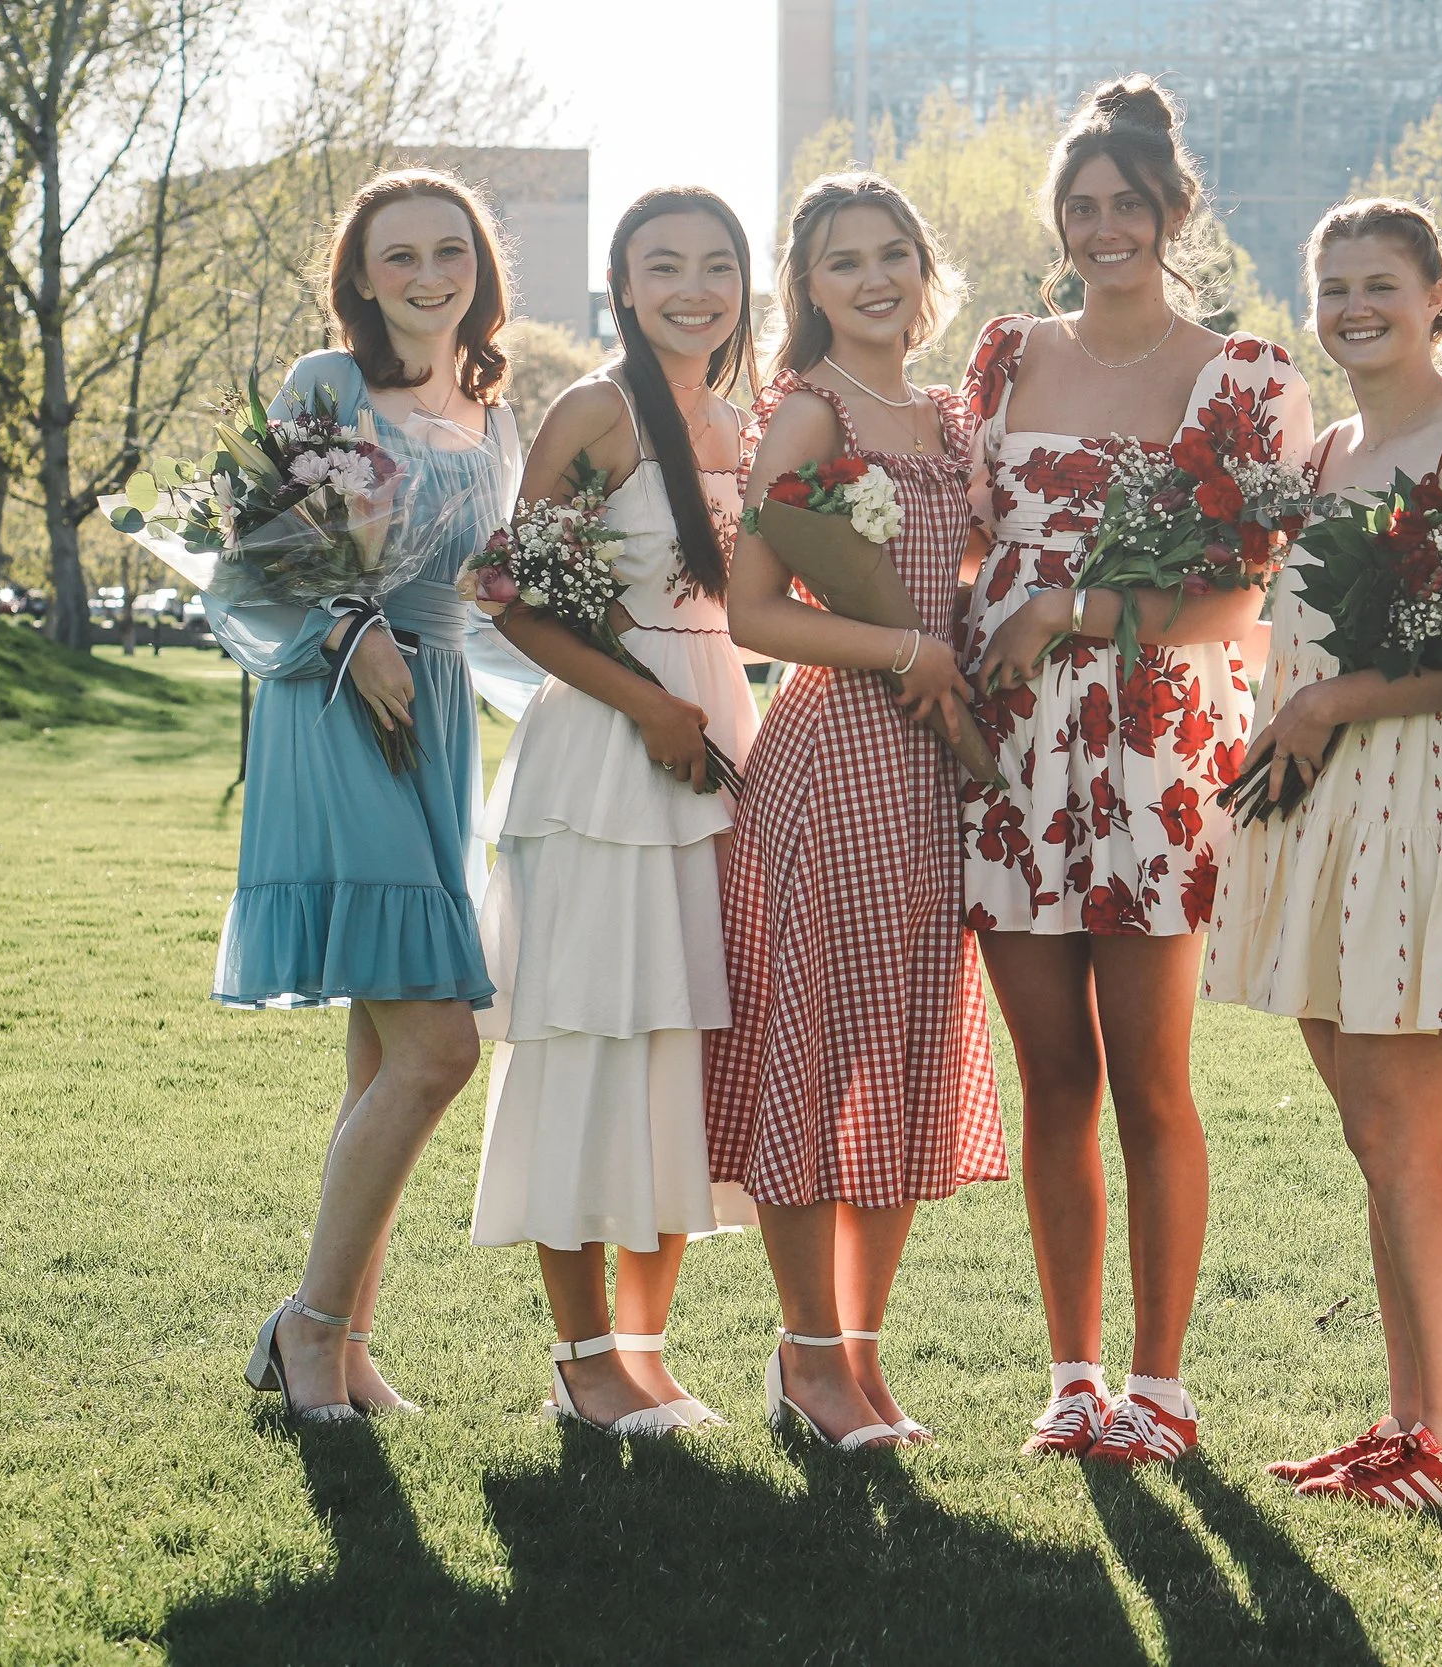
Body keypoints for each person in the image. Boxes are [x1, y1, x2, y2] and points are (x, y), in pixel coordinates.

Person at [959, 75, 1312, 1465]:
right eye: (1083, 207)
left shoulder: (1247, 375)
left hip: (1160, 748)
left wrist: (1069, 613)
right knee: (1053, 1077)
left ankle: (1160, 1387)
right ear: (1061, 221)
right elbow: (967, 540)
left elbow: (1243, 600)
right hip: (1017, 754)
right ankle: (1073, 1372)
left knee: (1152, 1080)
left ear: (1175, 213)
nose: (1106, 228)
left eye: (1130, 205)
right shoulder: (1000, 360)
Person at [1201, 199, 1442, 1511]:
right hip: (1316, 808)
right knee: (1366, 1132)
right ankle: (1410, 1422)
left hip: (1420, 800)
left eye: (1381, 283)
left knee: (1405, 1131)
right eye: (1333, 284)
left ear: (1435, 294)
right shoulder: (1328, 446)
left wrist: (1336, 703)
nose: (1354, 306)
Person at [704, 172, 1005, 1451]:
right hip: (832, 762)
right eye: (842, 262)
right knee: (814, 1063)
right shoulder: (807, 417)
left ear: (923, 272)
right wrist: (895, 650)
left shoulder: (952, 417)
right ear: (808, 288)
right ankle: (806, 1355)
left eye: (892, 254)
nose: (872, 278)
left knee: (903, 1066)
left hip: (932, 776)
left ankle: (860, 1359)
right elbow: (755, 609)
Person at [468, 187, 765, 1437]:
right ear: (623, 285)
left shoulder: (750, 424)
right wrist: (644, 705)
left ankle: (643, 1349)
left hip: (718, 733)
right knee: (593, 1036)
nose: (693, 288)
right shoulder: (597, 411)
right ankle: (581, 1352)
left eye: (715, 266)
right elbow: (507, 592)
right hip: (607, 750)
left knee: (683, 1038)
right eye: (664, 268)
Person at [234, 170, 521, 1420]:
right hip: (340, 704)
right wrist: (354, 634)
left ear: (479, 266)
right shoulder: (325, 383)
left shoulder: (491, 409)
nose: (425, 274)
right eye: (395, 255)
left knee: (379, 1050)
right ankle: (309, 1326)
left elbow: (483, 600)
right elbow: (253, 566)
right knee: (437, 1045)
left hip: (440, 713)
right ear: (358, 275)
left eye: (447, 250)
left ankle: (338, 1340)